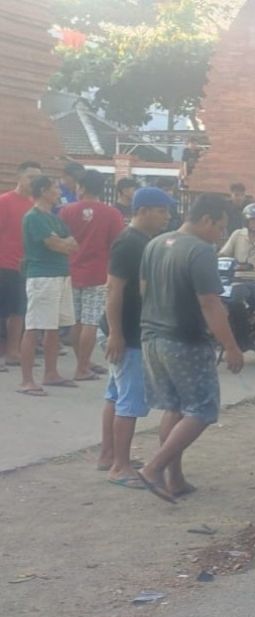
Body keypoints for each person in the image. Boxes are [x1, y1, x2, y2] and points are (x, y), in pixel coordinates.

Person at [136, 194, 243, 502]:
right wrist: (231, 346)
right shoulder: (200, 251)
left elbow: (144, 289)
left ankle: (175, 478)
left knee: (174, 407)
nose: (220, 234)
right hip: (185, 339)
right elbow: (210, 302)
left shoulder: (155, 244)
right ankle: (154, 467)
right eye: (220, 227)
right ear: (206, 219)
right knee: (201, 409)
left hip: (152, 336)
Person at [97, 187, 176, 485]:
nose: (166, 217)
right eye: (161, 210)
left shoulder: (141, 241)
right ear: (142, 210)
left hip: (128, 329)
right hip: (127, 332)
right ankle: (120, 466)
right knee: (129, 399)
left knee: (115, 395)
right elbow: (113, 288)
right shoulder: (130, 243)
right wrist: (117, 333)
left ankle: (109, 455)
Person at [17, 175, 80, 395]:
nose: (58, 191)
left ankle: (50, 373)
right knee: (35, 326)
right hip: (42, 276)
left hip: (61, 274)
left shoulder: (54, 218)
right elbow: (54, 243)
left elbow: (71, 243)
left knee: (53, 327)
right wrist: (61, 243)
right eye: (54, 187)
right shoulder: (33, 217)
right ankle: (27, 380)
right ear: (43, 190)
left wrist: (62, 243)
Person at [61, 170, 126, 382]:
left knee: (76, 320)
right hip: (98, 272)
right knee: (91, 321)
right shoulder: (112, 214)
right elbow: (117, 244)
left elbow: (61, 238)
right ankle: (82, 366)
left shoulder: (66, 211)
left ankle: (83, 362)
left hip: (71, 270)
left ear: (81, 186)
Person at [219, 202, 255, 368]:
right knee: (226, 306)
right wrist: (215, 257)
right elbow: (224, 252)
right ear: (246, 221)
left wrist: (251, 265)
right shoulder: (238, 234)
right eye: (253, 220)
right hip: (238, 279)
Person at [0, 161, 42, 369]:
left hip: (26, 267)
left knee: (19, 312)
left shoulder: (36, 206)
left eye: (37, 179)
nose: (33, 182)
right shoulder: (5, 201)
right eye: (30, 177)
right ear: (20, 177)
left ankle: (13, 352)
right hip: (4, 264)